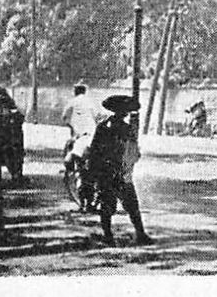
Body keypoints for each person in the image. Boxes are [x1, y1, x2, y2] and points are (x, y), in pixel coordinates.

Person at [87, 94, 153, 246]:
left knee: (106, 205)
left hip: (105, 172)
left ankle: (108, 236)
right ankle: (140, 234)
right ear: (124, 113)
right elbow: (133, 153)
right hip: (121, 172)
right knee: (132, 205)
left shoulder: (102, 127)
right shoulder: (127, 129)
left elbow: (94, 151)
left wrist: (94, 173)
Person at [61, 83, 101, 209]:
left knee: (76, 167)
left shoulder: (72, 102)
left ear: (75, 91)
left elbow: (64, 117)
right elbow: (99, 117)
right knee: (93, 169)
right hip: (94, 138)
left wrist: (71, 126)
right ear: (85, 91)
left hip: (81, 138)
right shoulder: (91, 102)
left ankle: (82, 199)